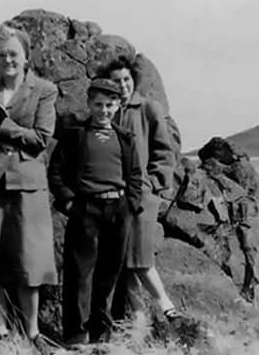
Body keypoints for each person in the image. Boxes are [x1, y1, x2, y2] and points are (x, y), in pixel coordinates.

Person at [0, 25, 57, 349]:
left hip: (29, 187)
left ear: (26, 58)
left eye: (14, 54)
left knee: (29, 262)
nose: (8, 59)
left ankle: (33, 333)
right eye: (2, 54)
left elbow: (41, 139)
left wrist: (2, 124)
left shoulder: (44, 90)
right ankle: (0, 332)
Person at [48, 78, 144, 345]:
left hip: (119, 208)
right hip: (86, 208)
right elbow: (55, 173)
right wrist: (69, 203)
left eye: (109, 104)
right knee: (80, 273)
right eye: (98, 104)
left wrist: (132, 204)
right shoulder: (75, 135)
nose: (104, 110)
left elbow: (135, 175)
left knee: (109, 273)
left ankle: (102, 335)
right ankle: (76, 336)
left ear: (118, 105)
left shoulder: (125, 138)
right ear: (89, 104)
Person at [96, 55, 185, 327]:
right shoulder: (108, 112)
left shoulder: (148, 109)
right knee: (124, 261)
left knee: (141, 257)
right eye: (116, 81)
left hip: (143, 196)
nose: (122, 85)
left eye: (127, 79)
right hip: (115, 197)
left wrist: (153, 184)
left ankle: (167, 307)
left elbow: (165, 152)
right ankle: (138, 319)